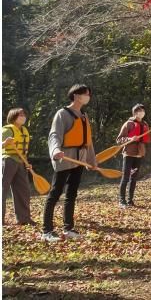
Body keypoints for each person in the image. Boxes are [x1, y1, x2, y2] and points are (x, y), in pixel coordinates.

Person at [41, 84, 98, 242]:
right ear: (75, 95)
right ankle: (46, 231)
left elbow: (88, 142)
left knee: (71, 194)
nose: (88, 96)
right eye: (85, 94)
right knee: (55, 193)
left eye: (88, 94)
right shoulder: (62, 114)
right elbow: (54, 135)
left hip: (79, 159)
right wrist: (55, 151)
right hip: (64, 157)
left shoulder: (84, 115)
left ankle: (68, 228)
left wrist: (91, 160)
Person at [116, 104, 151, 208]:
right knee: (125, 177)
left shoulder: (145, 124)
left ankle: (130, 200)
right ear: (135, 112)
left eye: (143, 111)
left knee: (134, 178)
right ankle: (121, 200)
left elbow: (149, 138)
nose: (142, 113)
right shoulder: (128, 124)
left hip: (139, 154)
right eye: (140, 111)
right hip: (128, 153)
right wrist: (130, 139)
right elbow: (119, 139)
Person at [2, 108, 36, 226]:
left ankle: (24, 219)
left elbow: (24, 150)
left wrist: (26, 162)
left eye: (23, 114)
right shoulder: (7, 129)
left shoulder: (24, 130)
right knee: (3, 189)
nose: (23, 116)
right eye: (20, 115)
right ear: (13, 116)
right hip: (8, 160)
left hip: (21, 162)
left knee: (24, 190)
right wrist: (4, 143)